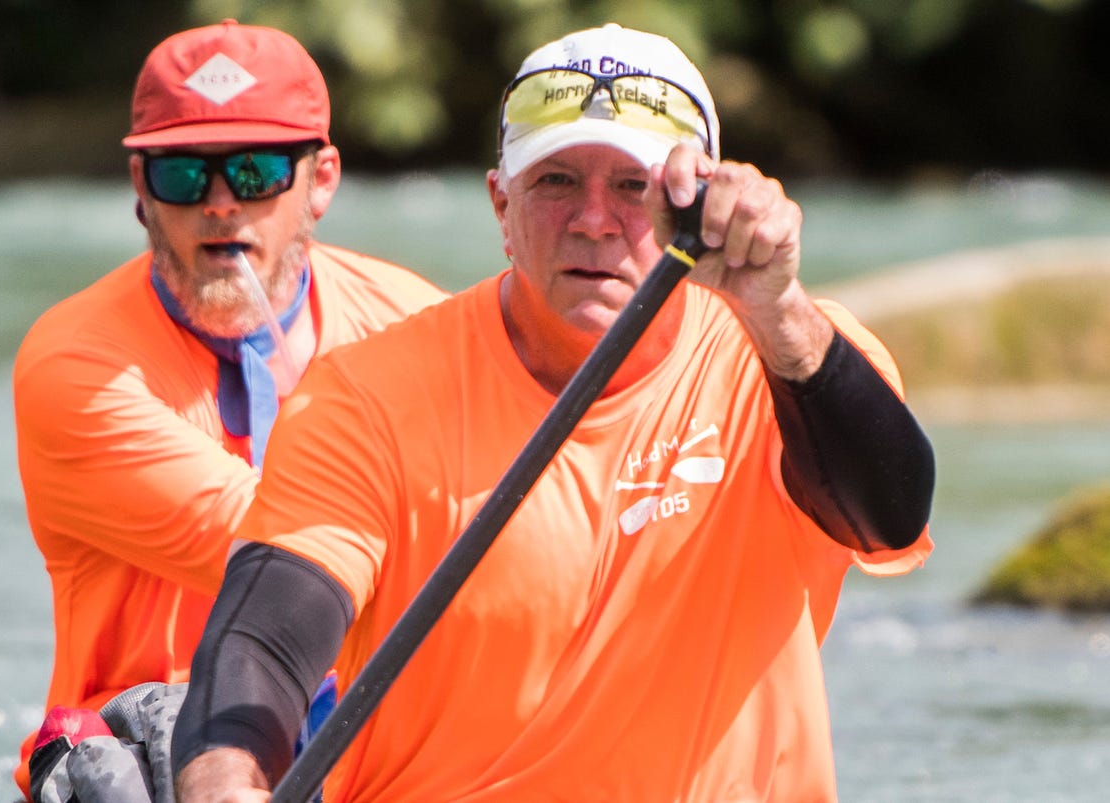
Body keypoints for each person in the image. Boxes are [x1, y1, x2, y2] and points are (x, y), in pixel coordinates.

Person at [171, 22, 936, 802]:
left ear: (699, 207)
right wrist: (225, 781)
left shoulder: (788, 357)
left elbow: (889, 519)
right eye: (556, 181)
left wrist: (775, 310)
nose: (593, 219)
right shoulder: (367, 397)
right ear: (501, 205)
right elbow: (263, 644)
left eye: (634, 187)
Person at [9, 19, 446, 803]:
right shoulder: (75, 365)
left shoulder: (419, 326)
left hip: (366, 749)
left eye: (254, 171)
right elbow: (282, 554)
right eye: (183, 174)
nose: (219, 205)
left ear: (320, 180)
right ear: (141, 191)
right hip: (143, 758)